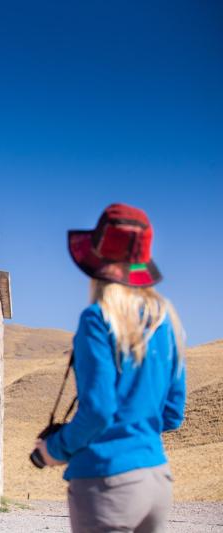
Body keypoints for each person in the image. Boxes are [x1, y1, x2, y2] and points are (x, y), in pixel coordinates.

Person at [32, 203, 186, 533]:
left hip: (107, 483)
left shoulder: (97, 320)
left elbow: (99, 411)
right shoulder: (166, 323)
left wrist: (52, 450)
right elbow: (173, 414)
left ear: (97, 262)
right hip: (157, 478)